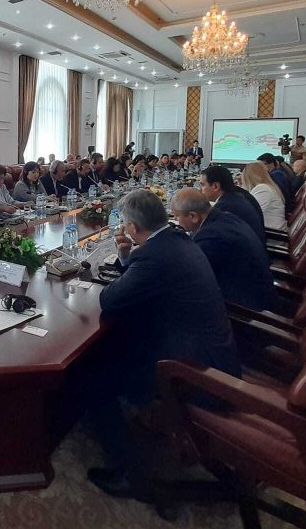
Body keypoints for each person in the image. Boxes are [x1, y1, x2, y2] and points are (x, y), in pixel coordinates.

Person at [86, 190, 241, 499]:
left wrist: (128, 263)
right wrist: (126, 257)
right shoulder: (178, 238)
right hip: (216, 353)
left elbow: (110, 299)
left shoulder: (154, 256)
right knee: (116, 344)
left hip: (192, 370)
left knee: (94, 376)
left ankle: (130, 475)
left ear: (132, 227)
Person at [171, 189, 277, 311]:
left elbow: (191, 277)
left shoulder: (209, 238)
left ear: (193, 216)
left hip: (248, 309)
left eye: (177, 216)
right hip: (262, 290)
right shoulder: (226, 217)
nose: (176, 220)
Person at [200, 165, 266, 246]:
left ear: (216, 186)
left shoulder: (225, 206)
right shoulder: (237, 195)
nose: (200, 189)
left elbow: (207, 234)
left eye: (202, 185)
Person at [240, 161, 287, 231]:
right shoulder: (267, 187)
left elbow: (250, 213)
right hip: (270, 230)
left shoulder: (262, 189)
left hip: (272, 233)